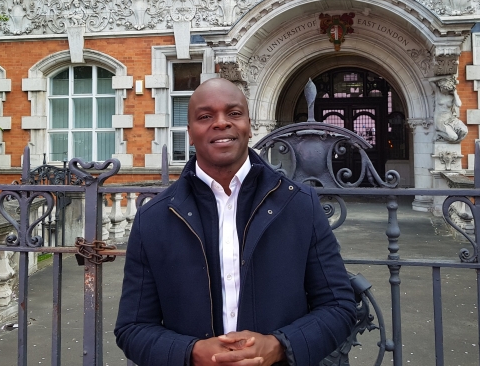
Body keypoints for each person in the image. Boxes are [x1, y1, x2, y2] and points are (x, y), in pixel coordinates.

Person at [115, 78, 357, 366]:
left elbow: (339, 306)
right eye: (205, 116)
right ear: (190, 132)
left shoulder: (299, 205)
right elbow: (132, 328)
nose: (221, 123)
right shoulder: (154, 218)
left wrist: (281, 346)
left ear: (249, 125)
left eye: (233, 113)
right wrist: (190, 352)